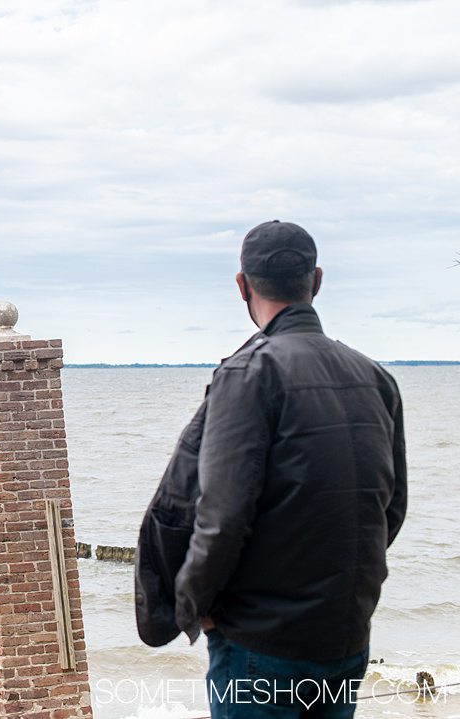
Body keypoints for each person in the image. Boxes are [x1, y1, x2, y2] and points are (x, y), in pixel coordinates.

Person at [139, 220, 407, 718]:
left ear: (242, 286)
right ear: (317, 281)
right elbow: (389, 510)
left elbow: (222, 515)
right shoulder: (377, 378)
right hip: (345, 633)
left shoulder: (248, 373)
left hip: (260, 647)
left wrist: (195, 607)